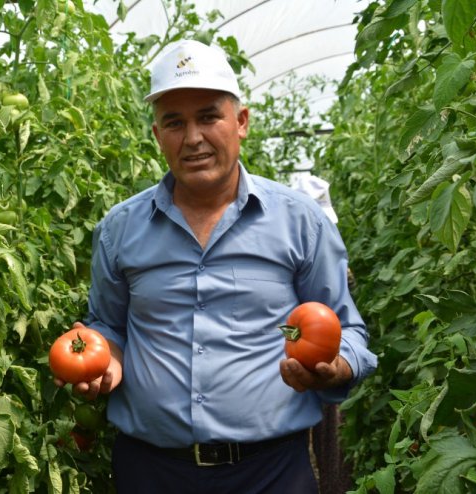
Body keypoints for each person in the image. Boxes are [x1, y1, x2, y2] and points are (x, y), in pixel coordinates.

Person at [58, 39, 378, 494]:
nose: (193, 138)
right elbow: (109, 327)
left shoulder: (298, 222)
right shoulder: (120, 229)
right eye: (175, 122)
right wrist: (105, 363)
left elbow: (348, 332)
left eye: (208, 116)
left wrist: (337, 367)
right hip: (151, 471)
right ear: (157, 135)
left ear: (240, 122)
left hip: (272, 473)